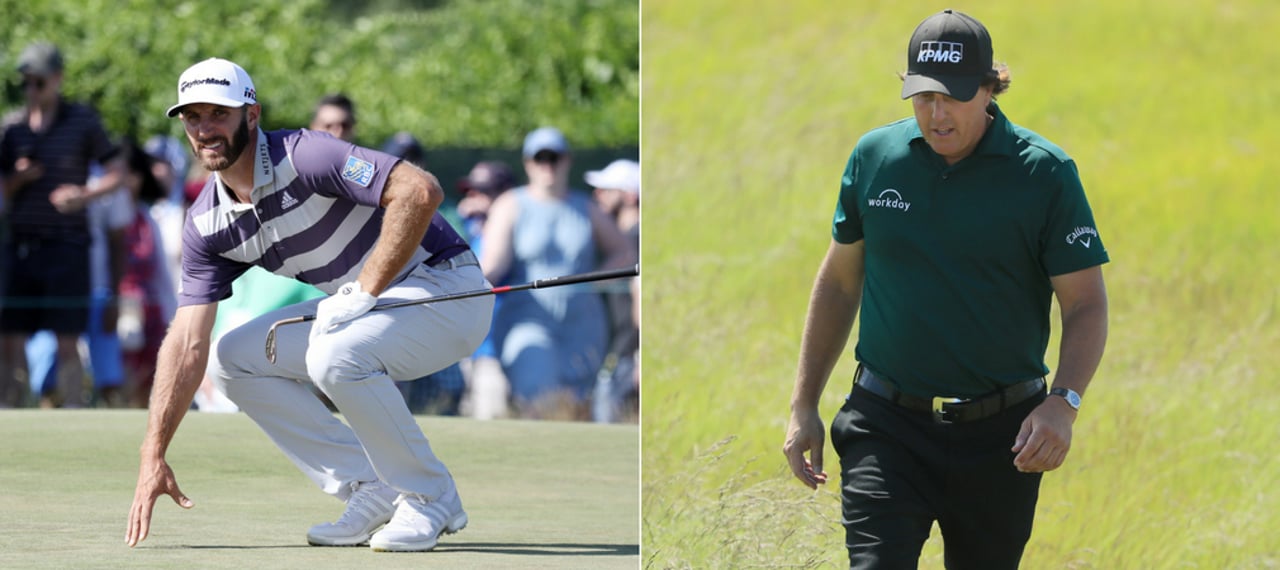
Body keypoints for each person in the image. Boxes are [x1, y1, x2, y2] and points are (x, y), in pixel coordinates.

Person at [781, 10, 1109, 569]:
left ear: (989, 87)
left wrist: (1064, 403)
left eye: (953, 96)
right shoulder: (875, 158)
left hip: (1003, 438)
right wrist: (803, 403)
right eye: (923, 95)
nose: (936, 113)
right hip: (885, 425)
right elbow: (839, 282)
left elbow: (1086, 303)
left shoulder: (1045, 174)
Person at [126, 58, 492, 553]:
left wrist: (365, 288)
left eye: (219, 113)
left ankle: (430, 496)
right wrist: (153, 454)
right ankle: (371, 487)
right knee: (232, 360)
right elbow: (188, 342)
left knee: (334, 355)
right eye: (193, 117)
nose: (205, 129)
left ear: (251, 115)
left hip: (450, 293)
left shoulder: (308, 155)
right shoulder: (206, 224)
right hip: (365, 311)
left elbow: (419, 190)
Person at [0, 42, 126, 408]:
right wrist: (17, 181)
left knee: (68, 339)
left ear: (57, 79)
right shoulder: (11, 129)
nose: (31, 90)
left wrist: (84, 195)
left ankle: (72, 415)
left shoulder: (83, 122)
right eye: (26, 83)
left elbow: (117, 173)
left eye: (38, 82)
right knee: (9, 337)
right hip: (20, 246)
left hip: (68, 246)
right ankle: (11, 413)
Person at [480, 127, 635, 419]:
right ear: (528, 163)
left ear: (567, 161)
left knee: (577, 412)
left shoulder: (586, 208)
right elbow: (493, 264)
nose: (548, 165)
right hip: (527, 320)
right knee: (540, 399)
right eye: (540, 158)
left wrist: (598, 280)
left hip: (583, 326)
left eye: (555, 157)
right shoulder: (510, 205)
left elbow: (624, 252)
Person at [454, 161, 516, 419]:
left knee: (490, 418)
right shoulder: (474, 226)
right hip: (470, 346)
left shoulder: (506, 228)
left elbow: (490, 271)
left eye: (481, 191)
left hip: (497, 348)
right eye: (469, 191)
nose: (472, 198)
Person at [585, 159, 640, 423]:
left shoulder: (638, 238)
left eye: (607, 189)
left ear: (630, 195)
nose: (598, 195)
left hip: (629, 357)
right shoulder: (623, 238)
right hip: (620, 354)